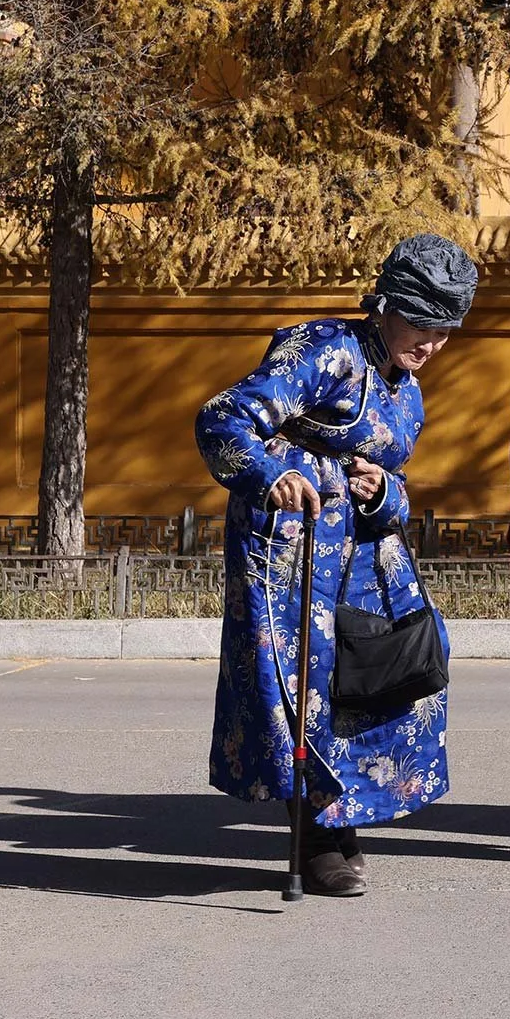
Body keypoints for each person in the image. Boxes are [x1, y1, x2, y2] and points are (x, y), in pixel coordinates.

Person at [196, 232, 478, 896]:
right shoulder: (327, 350)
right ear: (386, 304)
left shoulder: (405, 386)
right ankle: (319, 831)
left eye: (446, 330)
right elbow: (223, 418)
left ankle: (344, 812)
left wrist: (385, 493)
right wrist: (271, 473)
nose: (432, 343)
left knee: (380, 680)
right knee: (304, 690)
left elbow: (391, 477)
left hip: (364, 557)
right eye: (422, 321)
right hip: (292, 547)